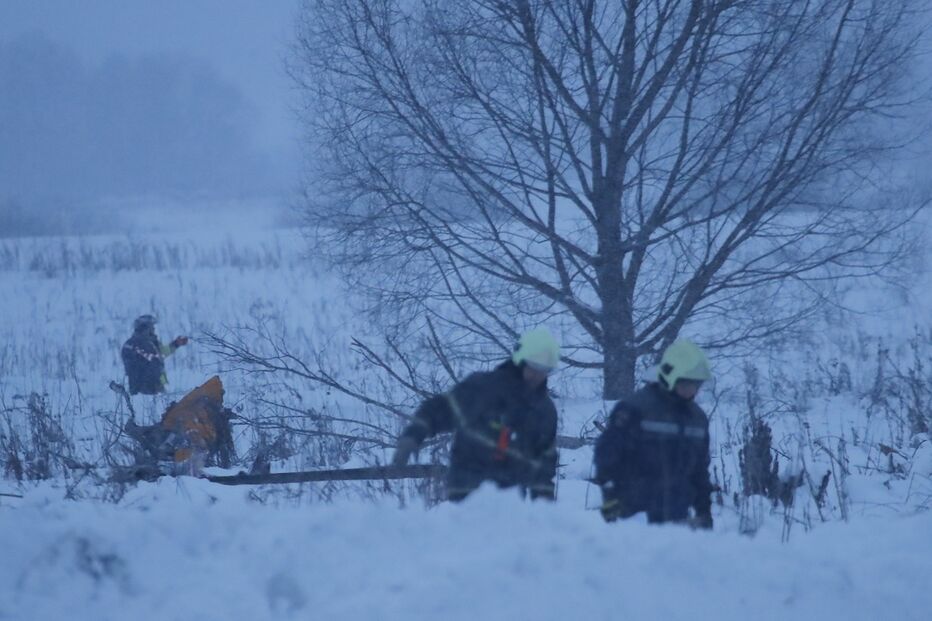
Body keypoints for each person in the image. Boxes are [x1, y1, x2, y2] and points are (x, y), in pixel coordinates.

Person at [391, 328, 561, 502]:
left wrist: (544, 507)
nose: (538, 375)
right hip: (466, 494)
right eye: (534, 367)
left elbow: (544, 465)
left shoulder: (544, 412)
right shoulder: (482, 389)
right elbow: (439, 410)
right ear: (519, 361)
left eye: (545, 369)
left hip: (510, 505)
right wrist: (413, 436)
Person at [593, 339, 714, 528]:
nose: (692, 389)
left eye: (696, 384)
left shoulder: (697, 419)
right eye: (687, 383)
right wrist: (610, 502)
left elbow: (699, 471)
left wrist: (704, 511)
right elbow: (606, 457)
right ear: (669, 376)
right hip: (632, 518)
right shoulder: (634, 409)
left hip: (677, 519)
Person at [120, 314, 189, 395]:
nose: (154, 329)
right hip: (147, 389)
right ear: (145, 328)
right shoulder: (139, 344)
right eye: (152, 327)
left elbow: (161, 353)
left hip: (153, 388)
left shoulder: (148, 342)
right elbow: (152, 363)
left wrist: (176, 344)